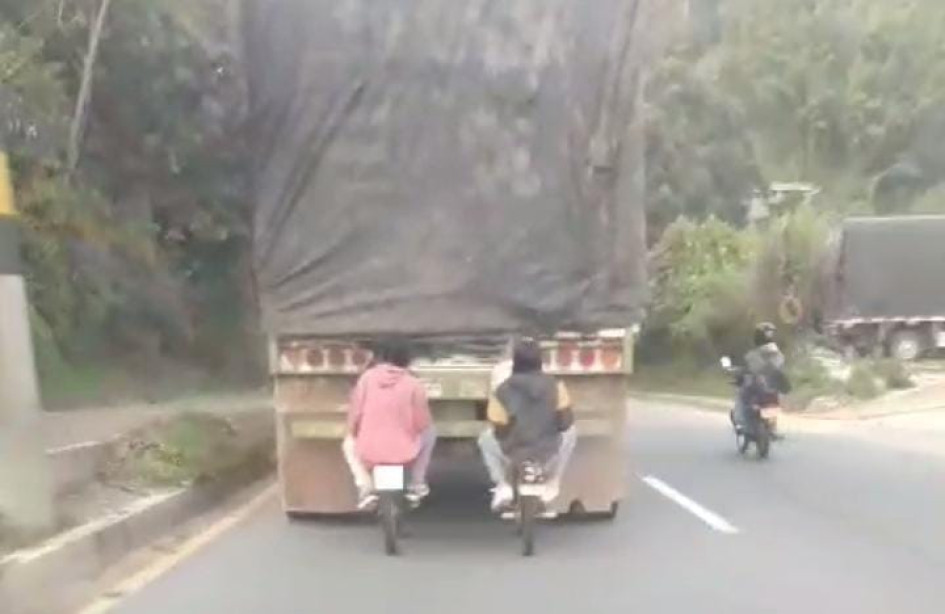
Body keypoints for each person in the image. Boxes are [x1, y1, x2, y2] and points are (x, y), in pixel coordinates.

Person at [478, 338, 577, 511]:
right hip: (548, 452)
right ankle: (553, 482)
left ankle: (504, 486)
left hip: (513, 452)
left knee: (484, 439)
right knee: (572, 432)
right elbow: (566, 422)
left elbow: (498, 428)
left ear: (515, 364)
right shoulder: (556, 386)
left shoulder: (502, 391)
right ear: (540, 362)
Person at [342, 339, 436, 510]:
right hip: (405, 451)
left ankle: (365, 486)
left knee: (348, 445)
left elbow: (355, 413)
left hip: (369, 449)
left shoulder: (366, 379)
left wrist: (352, 432)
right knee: (430, 434)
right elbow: (423, 421)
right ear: (408, 360)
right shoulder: (414, 384)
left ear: (382, 358)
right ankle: (416, 483)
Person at [732, 322, 791, 430]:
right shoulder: (768, 351)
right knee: (745, 394)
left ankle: (768, 424)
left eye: (770, 333)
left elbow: (747, 366)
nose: (769, 335)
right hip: (763, 382)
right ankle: (765, 424)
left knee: (744, 395)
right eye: (767, 333)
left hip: (763, 383)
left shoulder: (768, 351)